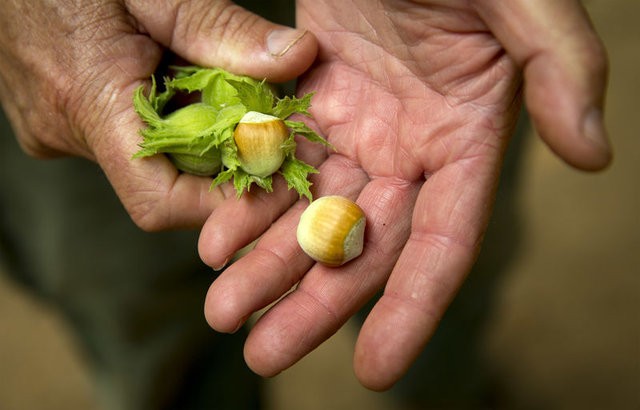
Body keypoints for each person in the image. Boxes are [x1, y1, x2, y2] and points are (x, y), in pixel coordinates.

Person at [0, 0, 611, 408]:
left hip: (392, 31)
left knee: (442, 240)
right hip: (88, 22)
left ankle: (452, 391)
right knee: (136, 301)